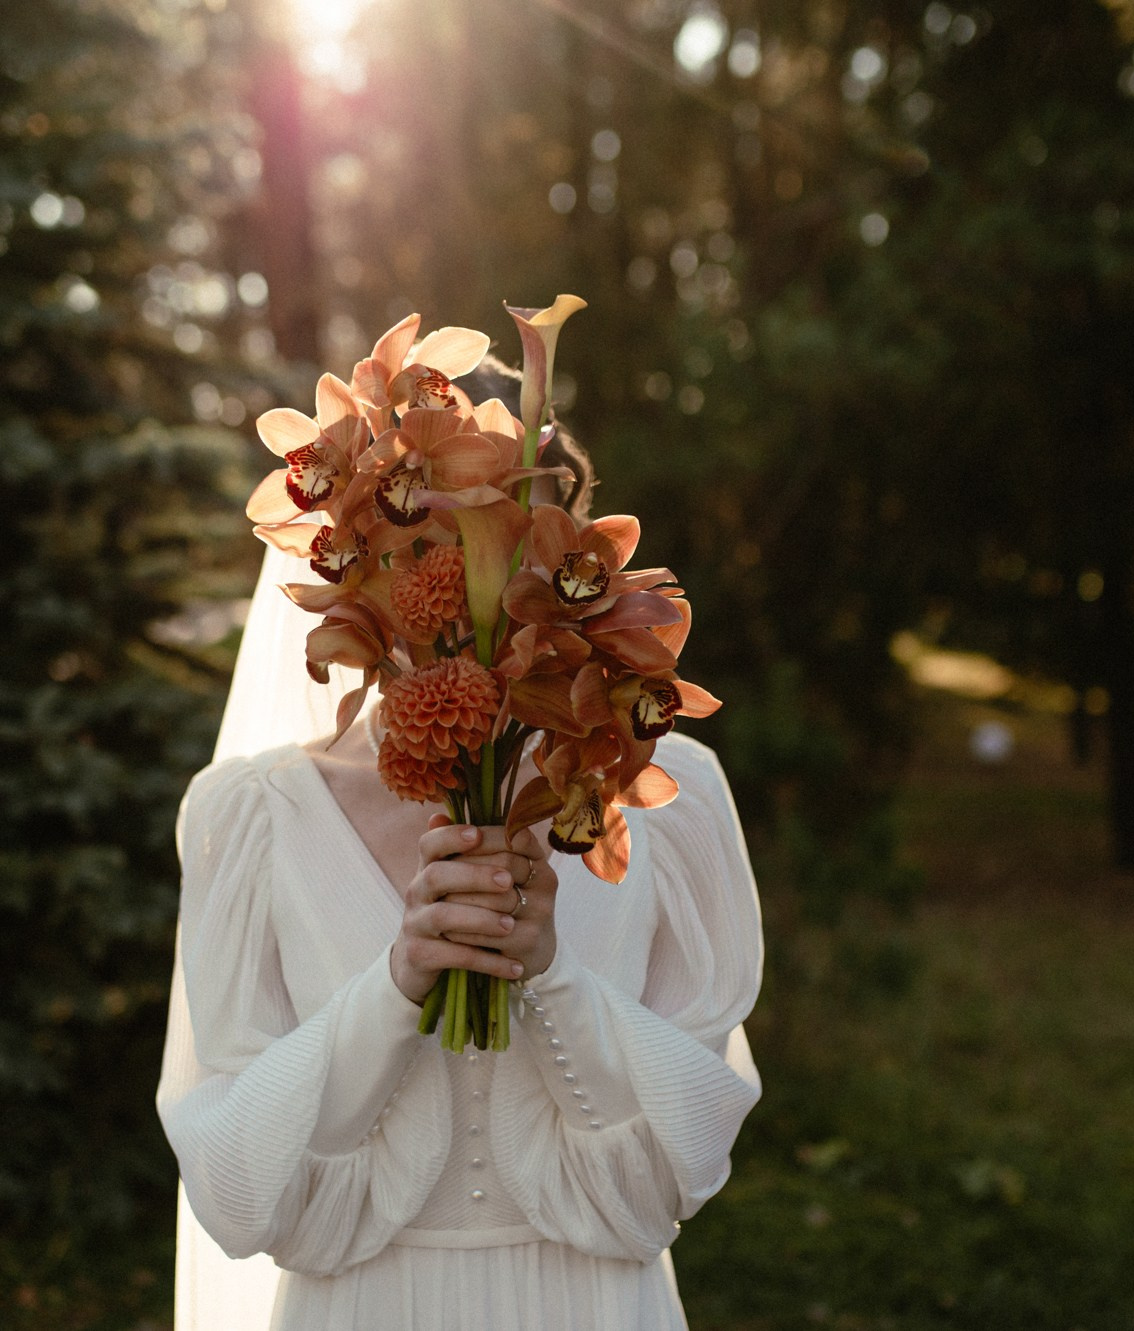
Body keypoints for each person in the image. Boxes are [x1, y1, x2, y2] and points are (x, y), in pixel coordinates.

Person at [156, 364, 764, 1330]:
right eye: (451, 530)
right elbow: (232, 1186)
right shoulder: (254, 815)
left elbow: (687, 1159)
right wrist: (396, 982)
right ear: (367, 545)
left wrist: (555, 975)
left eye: (523, 533)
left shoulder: (668, 795)